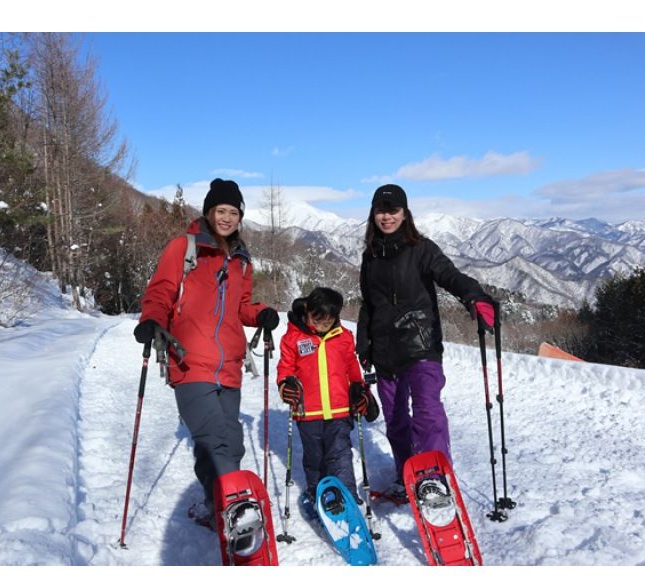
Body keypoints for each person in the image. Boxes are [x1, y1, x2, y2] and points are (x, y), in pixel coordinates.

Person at [133, 178, 280, 525]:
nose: (227, 218)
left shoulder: (242, 260)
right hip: (189, 361)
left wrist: (261, 313)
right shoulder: (184, 248)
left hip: (229, 364)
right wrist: (152, 320)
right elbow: (161, 291)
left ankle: (216, 506)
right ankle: (237, 506)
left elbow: (241, 306)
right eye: (221, 210)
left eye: (233, 212)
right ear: (209, 212)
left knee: (229, 440)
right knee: (214, 437)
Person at [356, 184, 496, 500]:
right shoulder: (370, 256)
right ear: (373, 214)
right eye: (381, 210)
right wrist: (363, 345)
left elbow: (449, 275)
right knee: (394, 420)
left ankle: (433, 477)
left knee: (427, 411)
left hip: (421, 343)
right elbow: (369, 303)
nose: (387, 216)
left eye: (393, 210)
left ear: (405, 214)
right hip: (384, 350)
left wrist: (473, 295)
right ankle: (406, 472)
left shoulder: (422, 249)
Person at [276, 287, 373, 518]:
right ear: (307, 311)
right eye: (317, 320)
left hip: (340, 410)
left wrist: (359, 387)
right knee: (315, 457)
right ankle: (317, 493)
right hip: (307, 413)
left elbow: (351, 366)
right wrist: (285, 385)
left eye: (328, 321)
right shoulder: (293, 338)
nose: (322, 326)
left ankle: (347, 496)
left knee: (339, 454)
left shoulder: (344, 336)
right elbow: (285, 368)